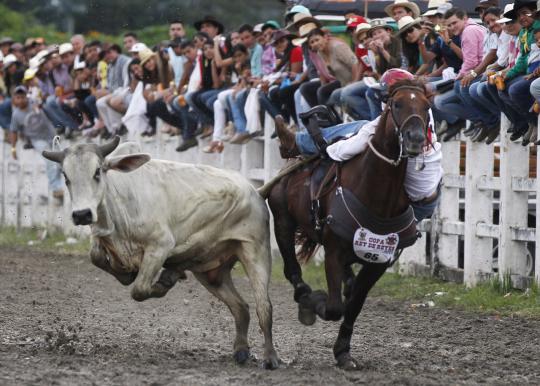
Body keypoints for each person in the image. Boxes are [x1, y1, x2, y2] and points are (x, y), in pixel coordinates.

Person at [275, 69, 442, 222]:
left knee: (361, 128)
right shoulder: (422, 111)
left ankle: (299, 142)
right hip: (430, 198)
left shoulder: (377, 127)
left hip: (411, 208)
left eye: (384, 97)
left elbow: (344, 151)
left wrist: (327, 148)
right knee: (362, 127)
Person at [8, 85, 63, 201]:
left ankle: (62, 186)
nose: (21, 100)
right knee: (49, 160)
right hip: (37, 140)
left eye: (23, 97)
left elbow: (42, 105)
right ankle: (56, 188)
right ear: (14, 100)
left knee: (60, 161)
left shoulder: (34, 104)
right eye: (18, 97)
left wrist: (37, 104)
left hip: (50, 134)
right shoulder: (16, 115)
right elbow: (13, 131)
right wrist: (13, 148)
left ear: (26, 97)